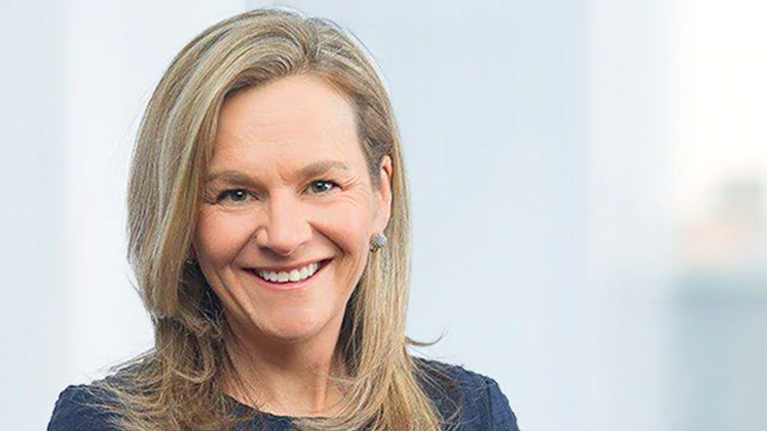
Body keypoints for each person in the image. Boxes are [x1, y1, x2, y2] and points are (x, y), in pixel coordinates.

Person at [47, 8, 520, 431]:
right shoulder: (102, 424)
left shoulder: (470, 415)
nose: (285, 236)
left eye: (321, 185)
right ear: (180, 219)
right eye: (236, 194)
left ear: (381, 194)